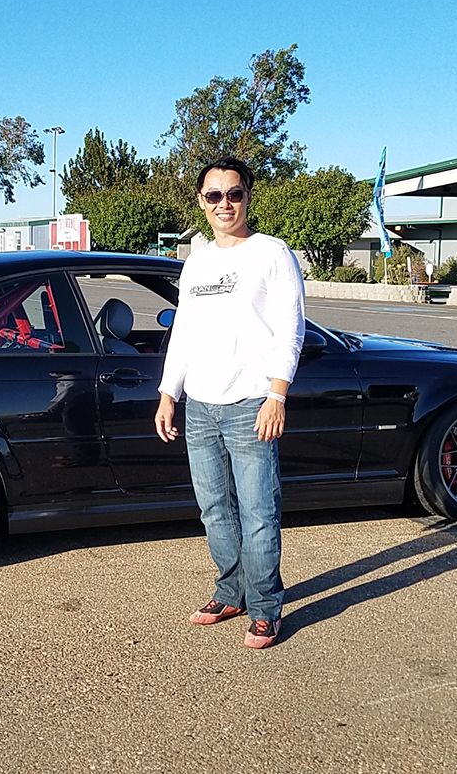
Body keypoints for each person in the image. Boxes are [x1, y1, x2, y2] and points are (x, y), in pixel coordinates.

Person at [155, 156, 305, 649]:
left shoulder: (272, 254)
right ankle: (230, 592)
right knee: (214, 509)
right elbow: (184, 332)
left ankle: (264, 608)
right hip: (200, 406)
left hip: (250, 404)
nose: (225, 203)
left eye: (234, 194)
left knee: (259, 513)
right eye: (214, 195)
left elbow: (290, 330)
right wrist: (168, 393)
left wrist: (276, 395)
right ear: (202, 202)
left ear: (248, 197)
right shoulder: (197, 262)